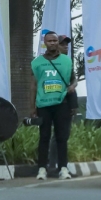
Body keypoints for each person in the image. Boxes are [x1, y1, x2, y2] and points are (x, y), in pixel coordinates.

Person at [30, 31, 76, 180]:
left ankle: (63, 168)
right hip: (43, 104)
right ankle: (42, 169)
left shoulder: (66, 61)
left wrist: (72, 87)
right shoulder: (37, 63)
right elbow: (33, 85)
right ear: (45, 43)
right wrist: (32, 107)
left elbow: (73, 79)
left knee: (61, 137)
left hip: (61, 103)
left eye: (55, 41)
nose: (52, 43)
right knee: (44, 137)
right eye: (49, 41)